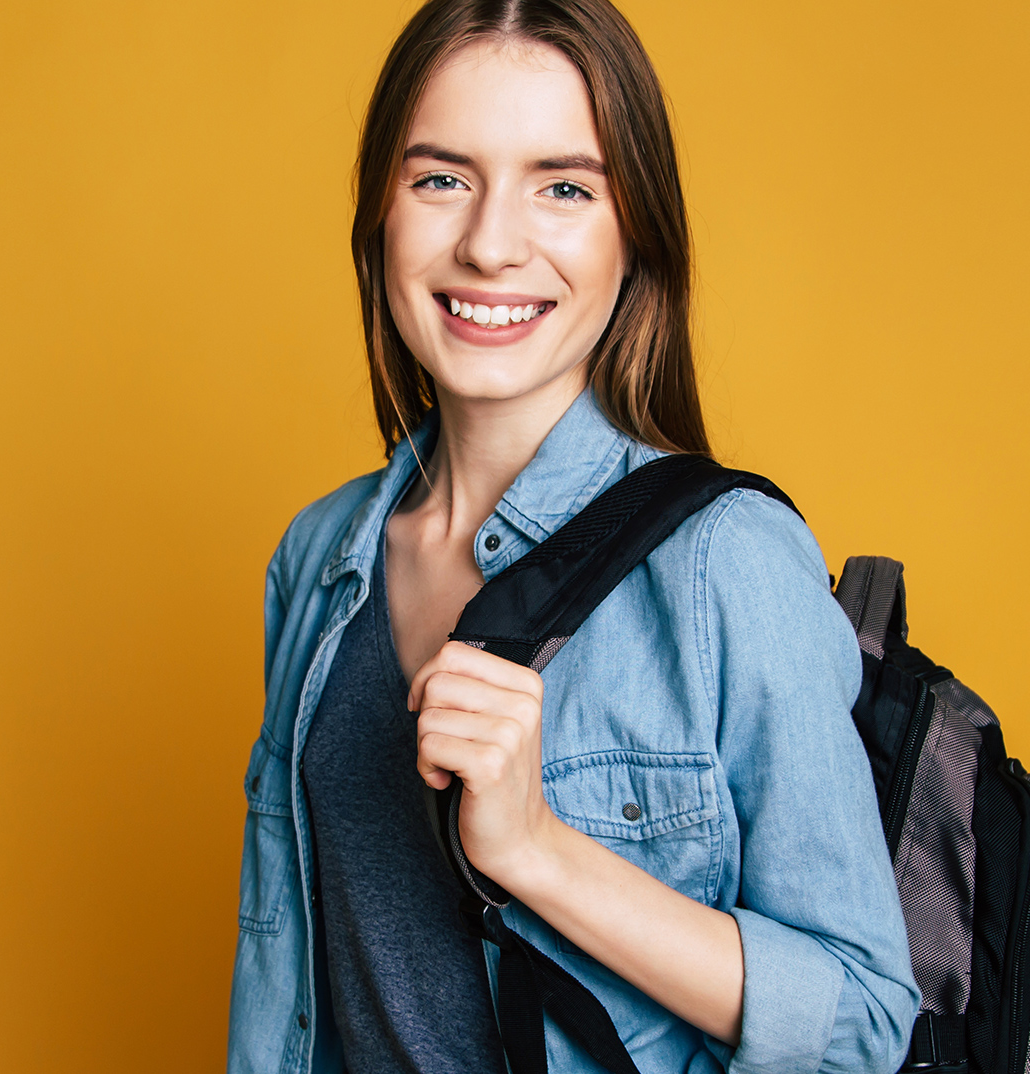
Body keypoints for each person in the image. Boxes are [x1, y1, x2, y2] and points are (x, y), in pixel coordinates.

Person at [227, 2, 919, 1071]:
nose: (491, 243)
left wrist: (534, 849)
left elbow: (867, 1025)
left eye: (563, 187)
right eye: (441, 178)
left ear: (632, 234)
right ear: (381, 215)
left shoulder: (724, 564)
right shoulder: (318, 562)